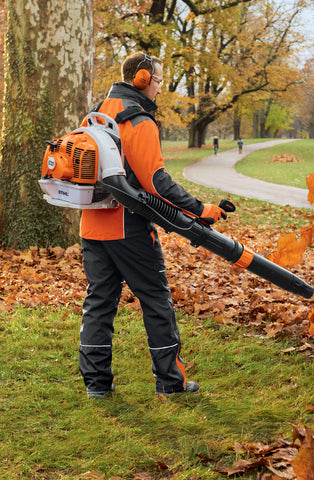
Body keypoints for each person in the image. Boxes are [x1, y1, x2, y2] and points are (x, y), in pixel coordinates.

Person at [78, 52, 229, 399]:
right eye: (159, 80)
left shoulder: (96, 114)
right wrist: (201, 209)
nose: (160, 88)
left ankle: (97, 384)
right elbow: (157, 183)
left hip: (91, 224)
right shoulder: (139, 121)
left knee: (99, 302)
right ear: (143, 79)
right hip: (128, 226)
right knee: (156, 300)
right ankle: (170, 382)